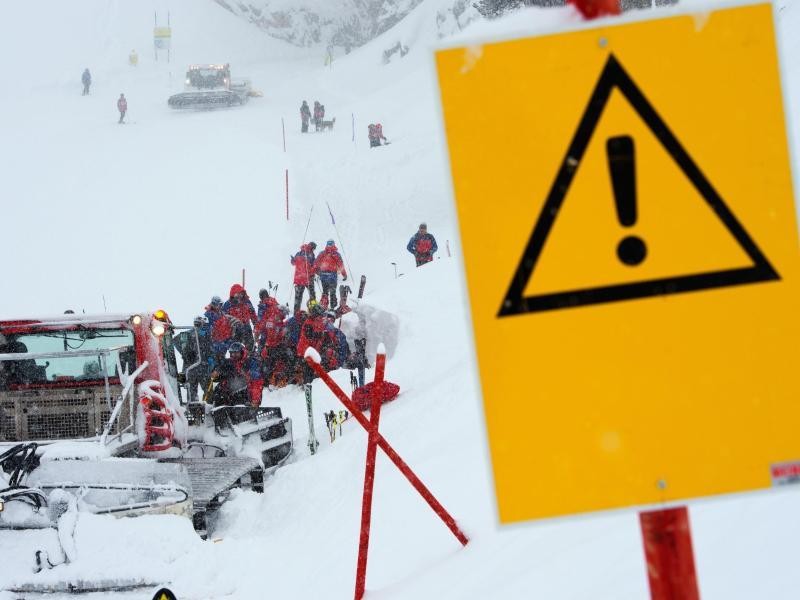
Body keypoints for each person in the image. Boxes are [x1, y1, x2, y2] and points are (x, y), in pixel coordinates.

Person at [211, 342, 263, 407]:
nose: (234, 355)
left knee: (243, 394)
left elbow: (256, 383)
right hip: (231, 391)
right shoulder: (230, 362)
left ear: (241, 352)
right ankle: (217, 407)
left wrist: (255, 400)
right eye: (232, 353)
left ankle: (245, 407)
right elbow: (221, 366)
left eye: (236, 353)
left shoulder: (250, 363)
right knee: (219, 389)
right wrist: (216, 371)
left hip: (246, 392)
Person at [223, 284, 257, 351]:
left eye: (241, 294)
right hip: (234, 330)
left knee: (250, 347)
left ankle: (250, 358)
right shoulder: (228, 304)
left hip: (246, 328)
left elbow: (252, 313)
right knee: (235, 349)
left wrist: (256, 324)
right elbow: (223, 318)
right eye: (237, 294)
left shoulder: (247, 302)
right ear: (233, 294)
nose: (239, 296)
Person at [314, 240, 347, 309]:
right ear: (334, 245)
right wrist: (344, 274)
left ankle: (324, 306)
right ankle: (333, 308)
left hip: (323, 276)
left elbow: (316, 263)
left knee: (325, 292)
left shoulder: (322, 253)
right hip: (332, 276)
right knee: (332, 292)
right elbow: (341, 265)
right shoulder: (336, 254)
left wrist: (317, 272)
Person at [291, 242, 317, 313]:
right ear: (312, 247)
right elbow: (312, 267)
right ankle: (313, 312)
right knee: (312, 297)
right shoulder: (311, 254)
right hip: (308, 279)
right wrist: (315, 271)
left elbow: (293, 263)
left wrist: (293, 260)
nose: (314, 250)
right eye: (314, 248)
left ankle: (296, 314)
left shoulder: (298, 253)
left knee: (298, 298)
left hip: (299, 279)